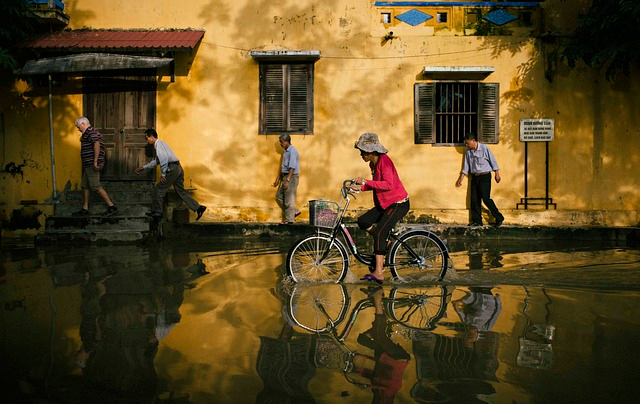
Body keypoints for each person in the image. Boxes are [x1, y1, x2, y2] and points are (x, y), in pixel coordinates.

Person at [353, 132, 409, 284]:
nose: (361, 154)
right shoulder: (374, 163)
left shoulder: (385, 162)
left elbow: (388, 184)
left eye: (362, 151)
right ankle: (387, 243)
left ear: (371, 151)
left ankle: (378, 272)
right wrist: (360, 189)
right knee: (363, 221)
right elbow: (377, 185)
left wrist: (365, 182)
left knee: (379, 233)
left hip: (398, 203)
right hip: (385, 203)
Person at [135, 129, 206, 221]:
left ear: (152, 137)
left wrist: (164, 174)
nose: (147, 140)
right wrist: (144, 167)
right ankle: (198, 208)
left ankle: (158, 211)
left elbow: (163, 159)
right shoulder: (161, 144)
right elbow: (157, 161)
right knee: (181, 191)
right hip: (178, 168)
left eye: (147, 138)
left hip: (172, 168)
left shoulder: (158, 144)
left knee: (158, 189)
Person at [455, 133, 504, 227]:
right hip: (474, 177)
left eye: (468, 143)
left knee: (486, 198)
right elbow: (466, 166)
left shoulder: (484, 148)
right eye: (466, 143)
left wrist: (497, 174)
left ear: (473, 140)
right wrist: (460, 179)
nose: (466, 145)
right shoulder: (468, 151)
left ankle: (499, 217)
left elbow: (492, 161)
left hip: (485, 176)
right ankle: (477, 221)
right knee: (474, 199)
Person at [73, 117, 118, 217]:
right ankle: (85, 209)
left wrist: (95, 160)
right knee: (85, 186)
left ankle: (112, 207)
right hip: (88, 165)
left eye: (78, 126)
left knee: (96, 187)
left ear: (83, 124)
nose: (78, 129)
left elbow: (96, 144)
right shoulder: (92, 132)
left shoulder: (90, 131)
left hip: (91, 164)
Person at [272, 134, 301, 224]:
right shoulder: (286, 151)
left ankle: (289, 220)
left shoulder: (292, 151)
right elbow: (283, 167)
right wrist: (278, 179)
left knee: (289, 200)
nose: (280, 144)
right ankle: (294, 211)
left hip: (291, 177)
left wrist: (287, 180)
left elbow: (292, 167)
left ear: (286, 141)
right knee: (279, 196)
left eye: (281, 142)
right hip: (285, 176)